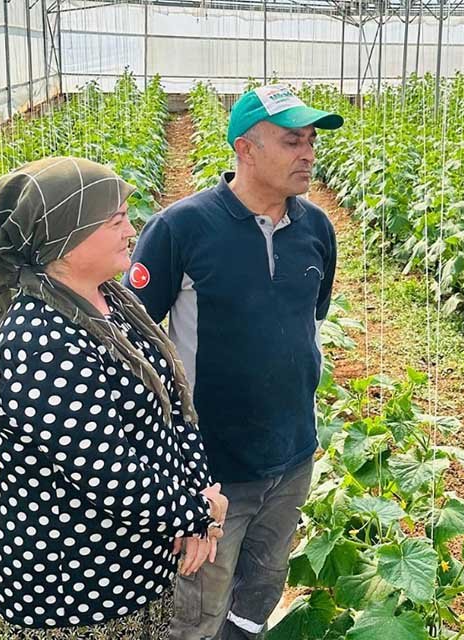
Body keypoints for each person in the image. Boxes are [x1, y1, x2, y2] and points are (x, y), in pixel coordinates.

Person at [0, 156, 229, 639]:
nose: (131, 231)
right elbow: (107, 471)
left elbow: (175, 410)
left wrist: (200, 504)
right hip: (70, 590)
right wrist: (197, 513)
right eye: (115, 221)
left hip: (134, 565)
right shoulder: (38, 343)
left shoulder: (110, 302)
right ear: (65, 240)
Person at [124, 85, 342, 639]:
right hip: (211, 468)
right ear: (245, 149)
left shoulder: (316, 229)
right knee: (195, 610)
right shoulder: (181, 228)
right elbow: (134, 341)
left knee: (259, 593)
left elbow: (308, 326)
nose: (308, 153)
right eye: (292, 140)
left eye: (311, 140)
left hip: (292, 455)